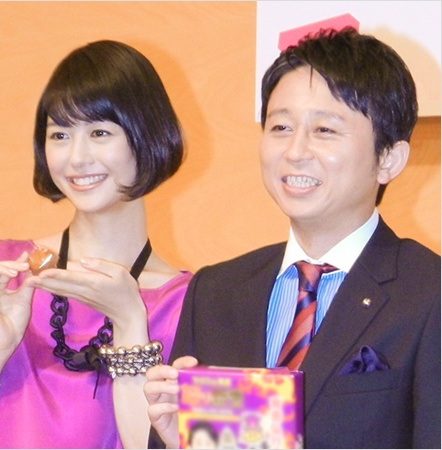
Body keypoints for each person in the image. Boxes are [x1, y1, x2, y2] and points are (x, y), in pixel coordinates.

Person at [144, 27, 441, 449]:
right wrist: (180, 443)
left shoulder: (429, 293)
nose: (295, 151)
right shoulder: (215, 292)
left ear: (389, 158)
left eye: (325, 130)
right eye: (281, 126)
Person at [0, 40, 193, 448]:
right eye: (60, 134)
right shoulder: (4, 271)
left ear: (147, 136)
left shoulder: (189, 304)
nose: (76, 158)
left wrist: (130, 320)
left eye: (100, 132)